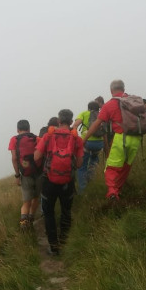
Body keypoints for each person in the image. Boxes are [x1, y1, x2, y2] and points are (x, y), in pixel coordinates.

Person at [82, 79, 146, 200]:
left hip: (121, 139)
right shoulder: (135, 100)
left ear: (111, 91)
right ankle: (118, 190)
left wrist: (85, 139)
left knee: (111, 167)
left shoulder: (110, 104)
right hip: (136, 138)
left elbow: (96, 124)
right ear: (124, 89)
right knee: (125, 166)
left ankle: (112, 192)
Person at [34, 109, 84, 255]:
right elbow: (80, 164)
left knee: (49, 214)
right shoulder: (76, 139)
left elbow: (36, 156)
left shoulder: (48, 136)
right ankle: (64, 242)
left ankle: (54, 247)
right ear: (70, 121)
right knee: (66, 211)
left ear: (58, 120)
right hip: (67, 182)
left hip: (49, 181)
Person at [8, 120, 42, 230]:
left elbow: (14, 158)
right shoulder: (36, 138)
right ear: (29, 128)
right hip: (38, 173)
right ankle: (31, 219)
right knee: (36, 197)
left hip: (25, 174)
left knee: (26, 202)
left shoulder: (14, 139)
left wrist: (17, 176)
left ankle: (24, 224)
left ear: (18, 130)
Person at [72, 100, 106, 192]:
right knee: (94, 162)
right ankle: (91, 181)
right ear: (98, 108)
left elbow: (75, 125)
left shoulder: (84, 113)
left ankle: (82, 189)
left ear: (88, 108)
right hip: (99, 144)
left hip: (87, 143)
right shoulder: (101, 114)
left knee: (82, 166)